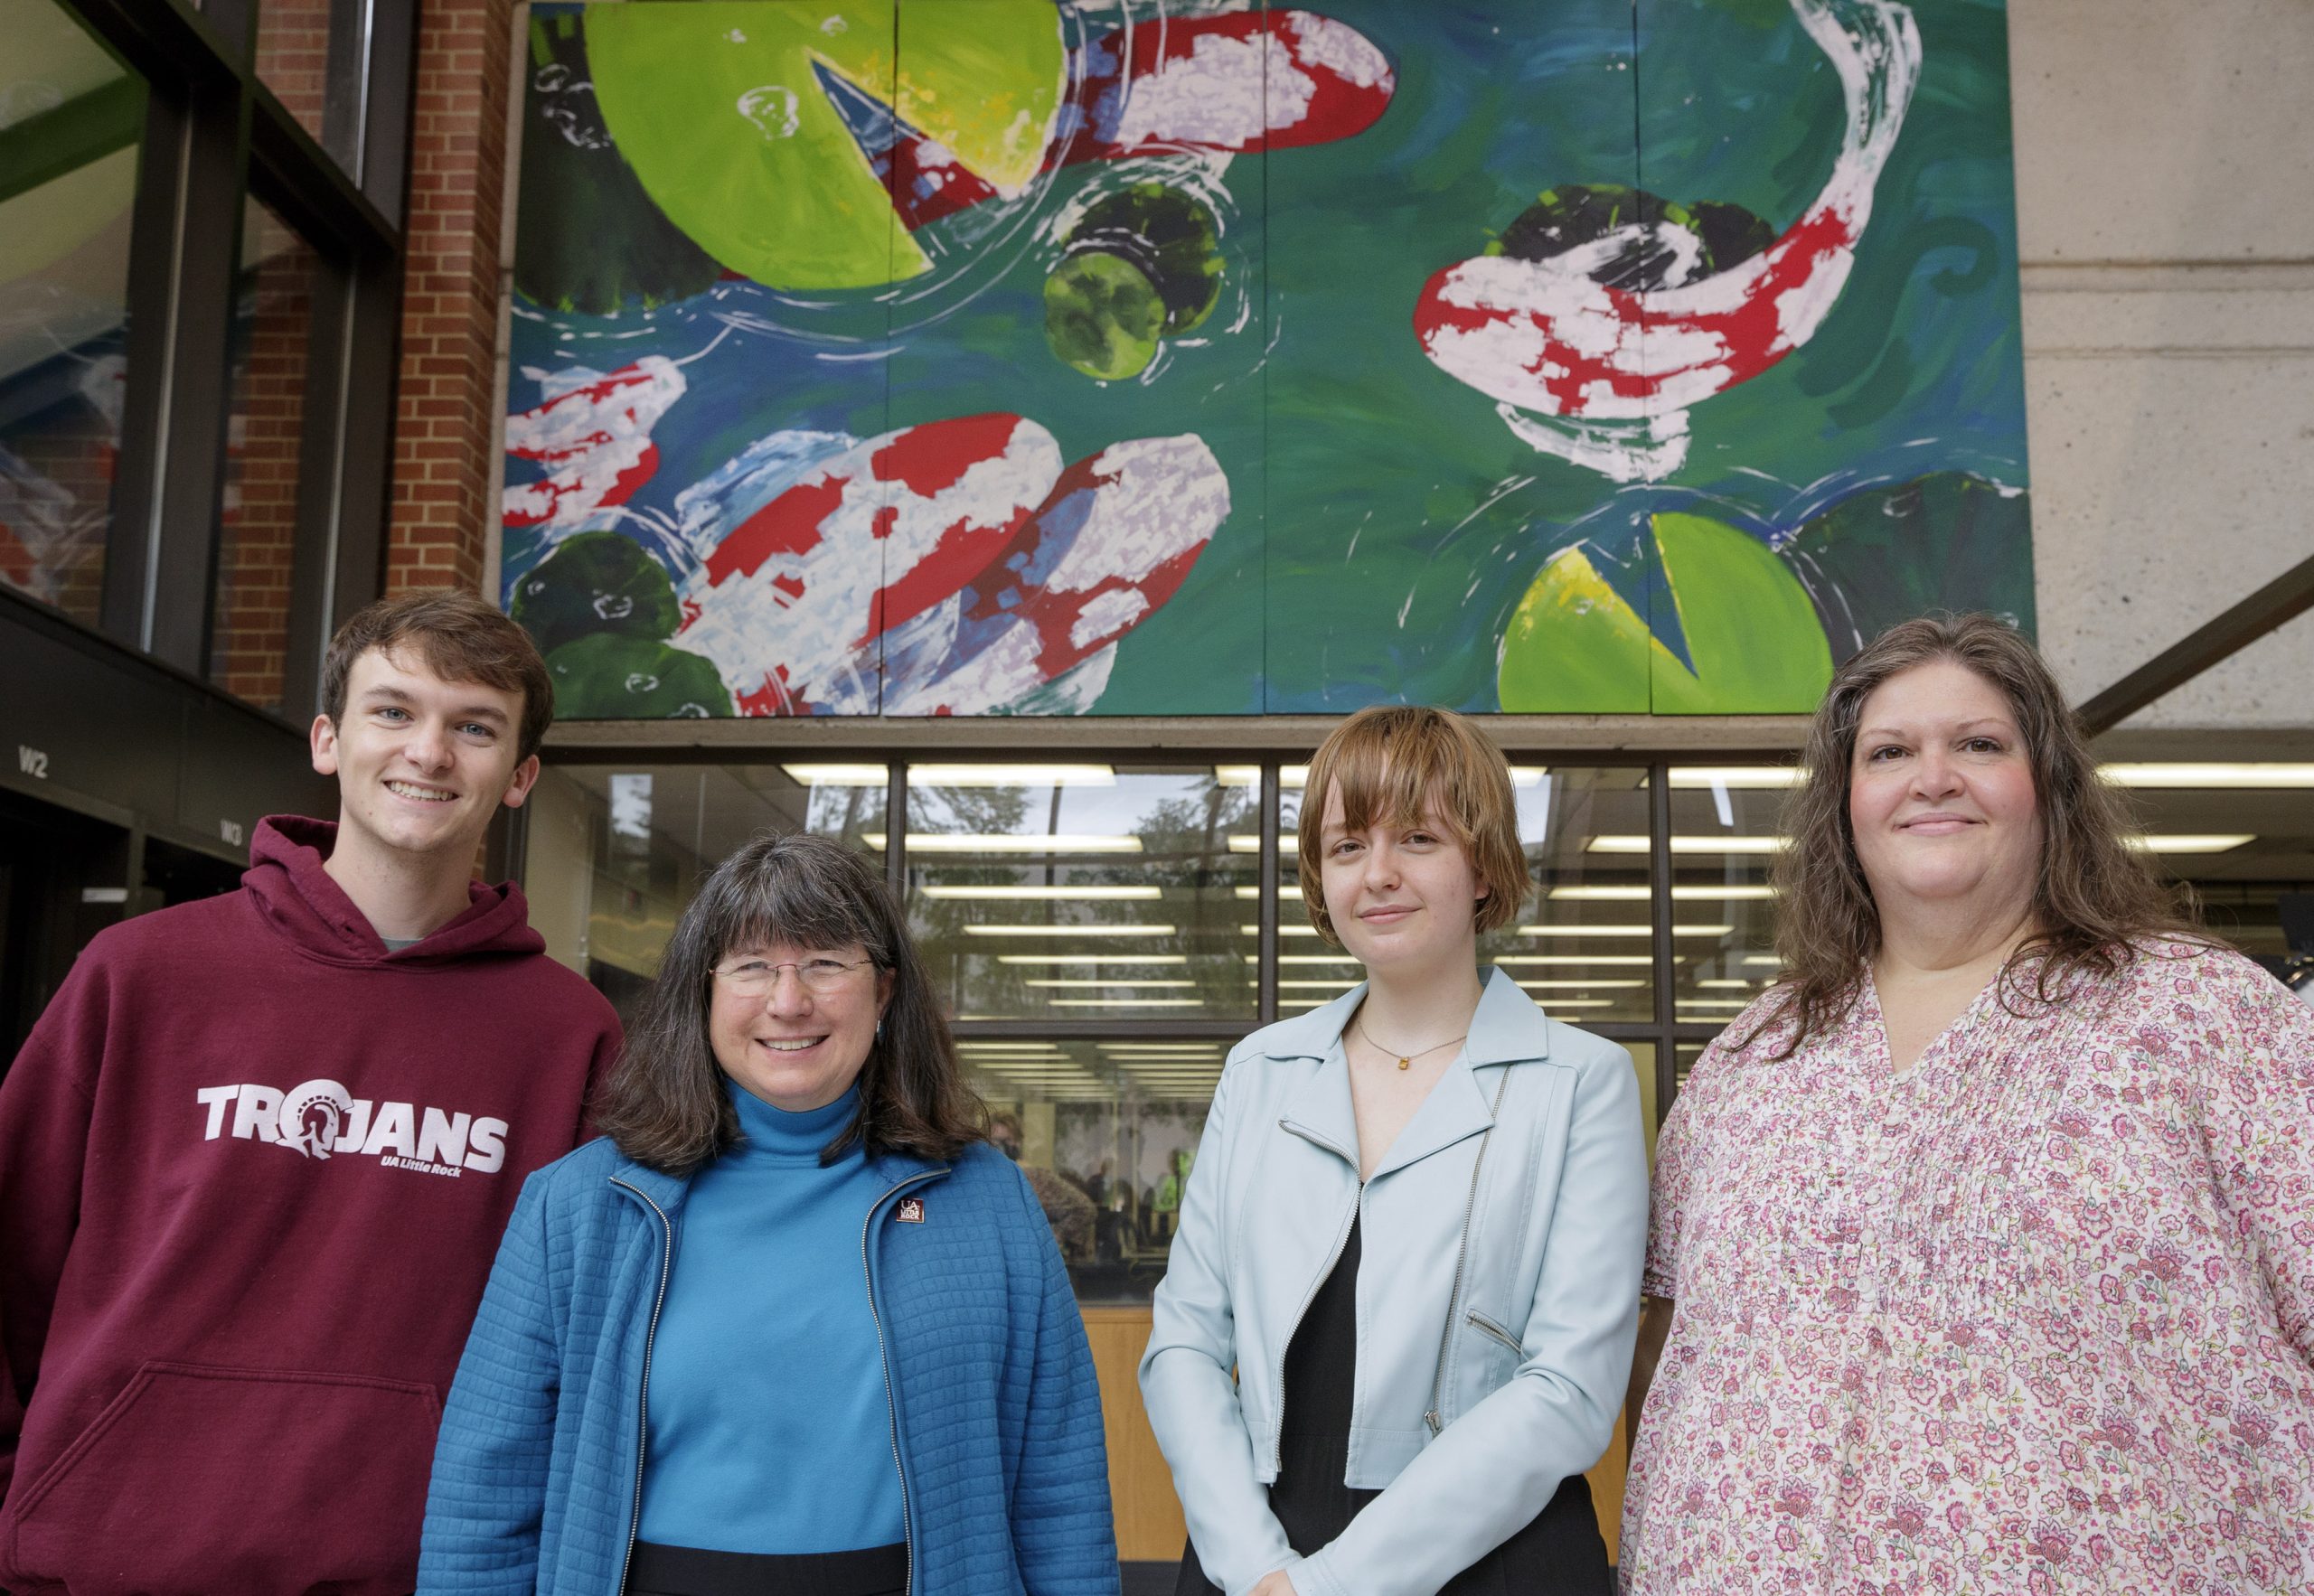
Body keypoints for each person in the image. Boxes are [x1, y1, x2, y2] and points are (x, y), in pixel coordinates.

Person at [1618, 614, 2314, 1592]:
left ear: (2050, 790)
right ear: (1845, 802)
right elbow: (1668, 1348)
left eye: (1978, 745)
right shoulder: (1753, 1056)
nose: (1931, 776)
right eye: (1890, 751)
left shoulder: (2201, 1015)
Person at [0, 588, 621, 1594]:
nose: (429, 752)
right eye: (393, 710)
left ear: (520, 776)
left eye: (474, 727)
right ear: (328, 739)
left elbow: (577, 1344)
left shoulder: (568, 1033)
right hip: (103, 1560)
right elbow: (12, 1251)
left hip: (413, 1569)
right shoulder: (142, 972)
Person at [418, 831, 1118, 1596]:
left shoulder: (987, 1201)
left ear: (883, 992)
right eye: (752, 967)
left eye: (824, 963)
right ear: (704, 993)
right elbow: (486, 1497)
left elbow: (1059, 1491)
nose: (789, 1002)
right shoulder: (582, 1206)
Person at [1143, 705, 1649, 1596]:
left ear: (1482, 864)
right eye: (1346, 846)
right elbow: (1184, 1338)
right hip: (1254, 1549)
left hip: (1492, 1556)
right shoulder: (1261, 1070)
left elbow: (1568, 1387)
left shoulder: (1579, 1082)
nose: (1377, 874)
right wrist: (1255, 1565)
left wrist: (1327, 1584)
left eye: (1417, 836)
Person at [992, 1109, 1098, 1263]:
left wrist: (1052, 1237)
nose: (1000, 1148)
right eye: (995, 1142)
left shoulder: (1036, 1179)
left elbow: (1085, 1209)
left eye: (1007, 1141)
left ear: (1018, 1142)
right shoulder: (980, 1184)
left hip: (1035, 1264)